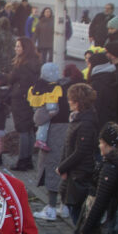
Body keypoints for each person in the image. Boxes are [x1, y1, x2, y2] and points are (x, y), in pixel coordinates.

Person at [57, 83, 100, 234]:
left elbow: (81, 151)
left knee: (78, 210)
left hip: (80, 172)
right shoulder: (79, 119)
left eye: (71, 100)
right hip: (73, 170)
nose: (69, 102)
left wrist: (63, 167)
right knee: (73, 205)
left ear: (77, 102)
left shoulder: (86, 122)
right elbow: (69, 147)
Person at [31, 63, 74, 221]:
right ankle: (65, 206)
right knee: (65, 168)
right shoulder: (66, 87)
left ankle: (51, 208)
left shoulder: (48, 91)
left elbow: (39, 118)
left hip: (52, 134)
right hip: (67, 131)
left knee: (52, 168)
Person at [8, 37, 40, 171]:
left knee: (23, 130)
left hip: (21, 100)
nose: (16, 49)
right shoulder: (34, 62)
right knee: (29, 129)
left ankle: (22, 160)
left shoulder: (23, 65)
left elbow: (14, 80)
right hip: (29, 99)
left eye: (18, 46)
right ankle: (28, 160)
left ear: (25, 48)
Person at [87, 51, 118, 127]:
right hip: (111, 119)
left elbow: (96, 106)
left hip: (101, 122)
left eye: (89, 64)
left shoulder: (98, 82)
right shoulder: (112, 75)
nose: (88, 66)